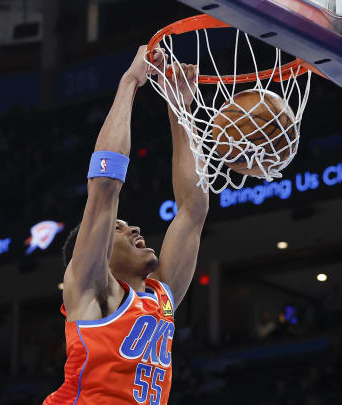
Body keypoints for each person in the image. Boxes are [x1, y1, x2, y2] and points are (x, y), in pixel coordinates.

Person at [42, 46, 208, 405]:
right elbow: (104, 189)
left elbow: (193, 209)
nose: (134, 230)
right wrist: (131, 81)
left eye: (129, 225)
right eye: (119, 228)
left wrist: (179, 109)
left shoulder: (161, 298)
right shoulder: (89, 292)